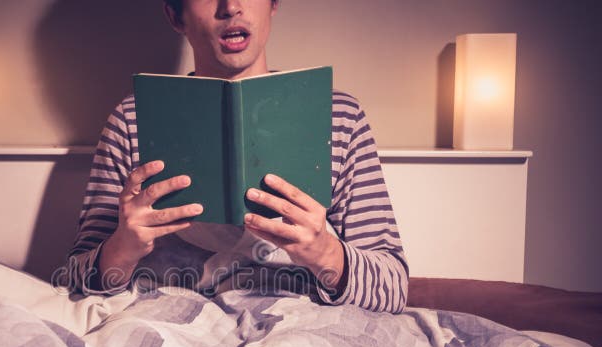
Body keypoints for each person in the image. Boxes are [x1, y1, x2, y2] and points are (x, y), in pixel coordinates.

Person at [64, 0, 408, 313]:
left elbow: (393, 289)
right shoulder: (133, 119)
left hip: (300, 328)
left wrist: (325, 253)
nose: (230, 6)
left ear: (273, 4)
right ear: (175, 16)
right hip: (167, 326)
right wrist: (121, 249)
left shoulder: (338, 117)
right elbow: (72, 284)